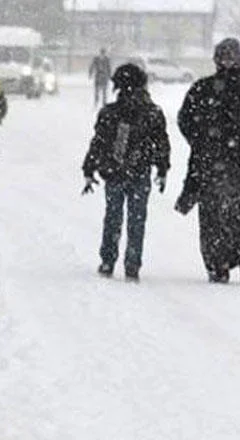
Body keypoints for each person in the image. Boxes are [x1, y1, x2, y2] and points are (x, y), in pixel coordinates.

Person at [81, 63, 170, 281]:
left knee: (113, 216)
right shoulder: (153, 113)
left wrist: (89, 168)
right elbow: (161, 143)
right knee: (136, 220)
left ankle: (108, 260)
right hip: (140, 172)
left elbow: (99, 143)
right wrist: (162, 167)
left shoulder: (110, 112)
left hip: (114, 172)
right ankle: (132, 264)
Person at [175, 38, 240, 283]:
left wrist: (201, 141)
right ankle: (223, 260)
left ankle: (217, 262)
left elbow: (186, 121)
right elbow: (186, 121)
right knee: (222, 215)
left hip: (210, 163)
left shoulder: (203, 88)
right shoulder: (203, 89)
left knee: (213, 217)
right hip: (220, 163)